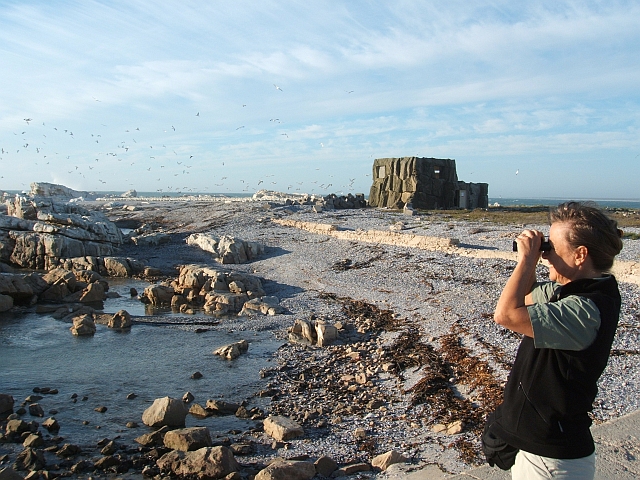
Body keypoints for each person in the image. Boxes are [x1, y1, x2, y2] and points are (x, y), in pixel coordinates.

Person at [483, 201, 624, 479]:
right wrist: (531, 261)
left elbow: (506, 314)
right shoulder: (575, 291)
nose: (546, 256)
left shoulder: (585, 309)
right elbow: (524, 298)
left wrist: (526, 260)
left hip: (554, 462)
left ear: (580, 254)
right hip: (542, 451)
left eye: (552, 248)